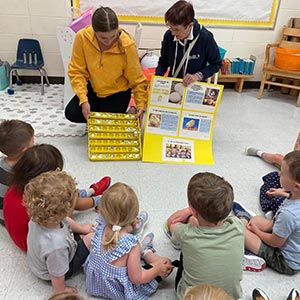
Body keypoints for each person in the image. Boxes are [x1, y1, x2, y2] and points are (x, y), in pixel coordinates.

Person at [3, 143, 111, 251]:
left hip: (24, 238)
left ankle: (94, 193)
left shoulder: (15, 187)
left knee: (68, 194)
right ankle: (100, 198)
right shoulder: (38, 201)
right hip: (35, 245)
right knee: (69, 197)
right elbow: (61, 220)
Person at [84, 182, 174, 299]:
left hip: (94, 285)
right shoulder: (131, 245)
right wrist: (157, 270)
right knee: (165, 262)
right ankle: (146, 251)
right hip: (119, 292)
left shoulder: (100, 226)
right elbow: (137, 278)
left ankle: (140, 240)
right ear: (133, 215)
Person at [164, 172, 244, 300]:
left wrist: (189, 213)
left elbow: (172, 223)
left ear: (193, 209)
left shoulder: (186, 234)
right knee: (199, 225)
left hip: (192, 295)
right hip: (230, 296)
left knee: (187, 240)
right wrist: (194, 213)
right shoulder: (238, 226)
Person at [65, 6, 148, 123]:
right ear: (94, 31)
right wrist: (83, 100)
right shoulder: (82, 38)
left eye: (113, 36)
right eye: (103, 38)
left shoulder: (127, 45)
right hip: (94, 88)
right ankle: (96, 115)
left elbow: (137, 79)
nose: (108, 42)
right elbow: (77, 71)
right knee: (71, 113)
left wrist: (140, 105)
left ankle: (100, 116)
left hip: (118, 92)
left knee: (107, 121)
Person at [24, 170, 94, 294]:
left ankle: (82, 233)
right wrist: (61, 290)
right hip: (51, 271)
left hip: (42, 259)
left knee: (84, 233)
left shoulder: (38, 217)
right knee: (91, 238)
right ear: (65, 208)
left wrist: (82, 229)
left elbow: (66, 220)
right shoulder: (56, 246)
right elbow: (57, 274)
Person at [233, 151, 300, 275]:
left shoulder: (289, 214)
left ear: (296, 186)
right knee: (256, 220)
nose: (279, 173)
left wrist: (257, 232)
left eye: (283, 173)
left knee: (240, 230)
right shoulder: (295, 196)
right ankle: (248, 224)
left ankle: (248, 255)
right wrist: (283, 193)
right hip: (290, 239)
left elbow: (276, 242)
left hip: (286, 261)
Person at [155, 0, 222, 87]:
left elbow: (216, 64)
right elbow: (164, 60)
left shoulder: (205, 37)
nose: (173, 33)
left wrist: (198, 75)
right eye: (170, 27)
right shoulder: (168, 35)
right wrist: (157, 78)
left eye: (177, 30)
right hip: (173, 85)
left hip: (194, 88)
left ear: (190, 26)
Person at [246, 132, 300, 219]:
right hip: (293, 187)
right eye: (297, 142)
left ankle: (270, 213)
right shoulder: (295, 161)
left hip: (295, 203)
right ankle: (259, 153)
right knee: (273, 176)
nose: (296, 147)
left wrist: (284, 194)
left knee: (278, 201)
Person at [0, 119, 34, 226]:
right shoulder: (23, 172)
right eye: (33, 141)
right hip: (17, 219)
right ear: (25, 149)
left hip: (2, 215)